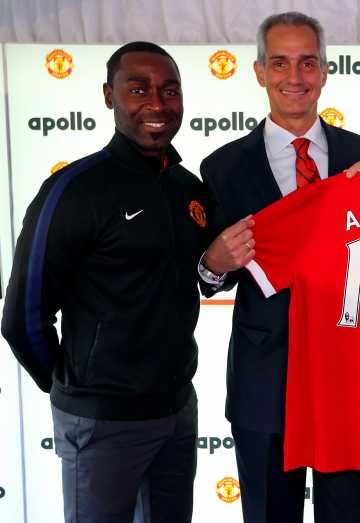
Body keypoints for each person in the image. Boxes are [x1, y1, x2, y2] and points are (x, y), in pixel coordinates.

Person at [1, 42, 209, 522]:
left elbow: (209, 274)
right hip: (102, 424)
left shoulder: (189, 190)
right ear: (108, 96)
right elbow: (22, 318)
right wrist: (78, 393)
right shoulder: (73, 190)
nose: (156, 103)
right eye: (138, 89)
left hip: (176, 413)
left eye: (169, 90)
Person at [198, 11, 360, 523]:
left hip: (346, 381)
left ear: (325, 71)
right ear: (259, 72)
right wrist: (212, 264)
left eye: (307, 63)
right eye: (279, 63)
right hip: (264, 384)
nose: (294, 78)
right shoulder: (221, 168)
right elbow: (209, 278)